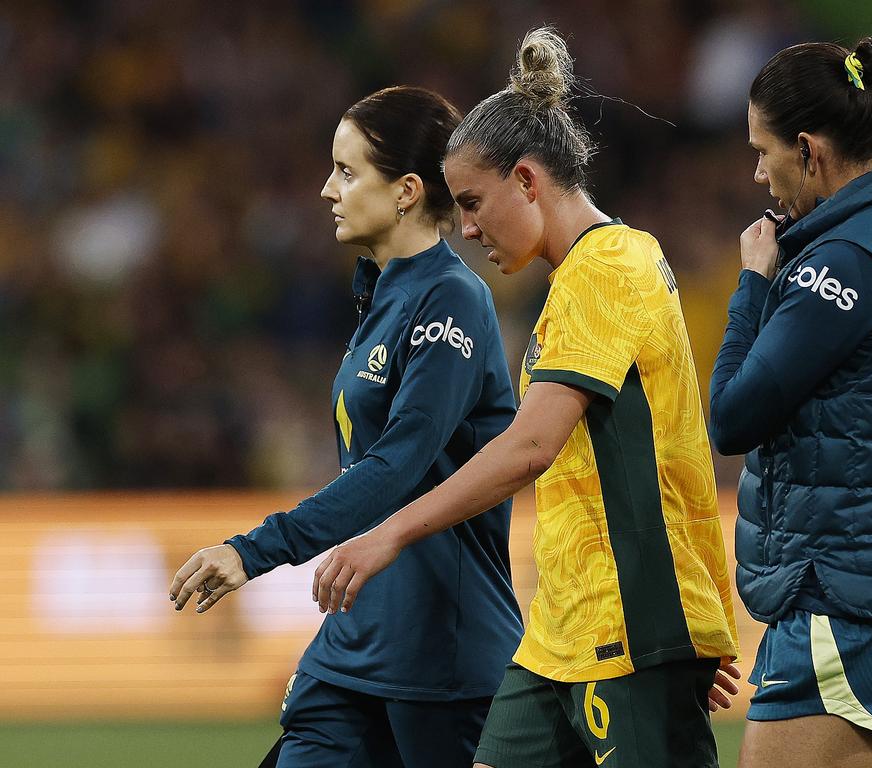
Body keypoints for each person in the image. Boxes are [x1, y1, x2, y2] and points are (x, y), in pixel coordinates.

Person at [310, 28, 741, 768]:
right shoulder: (577, 279)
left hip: (627, 623)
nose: (468, 228)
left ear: (529, 181)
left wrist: (387, 532)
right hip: (562, 629)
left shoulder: (608, 268)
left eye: (474, 203)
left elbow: (532, 446)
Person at [167, 86, 524, 768]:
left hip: (439, 655)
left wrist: (255, 550)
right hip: (354, 643)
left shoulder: (452, 299)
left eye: (347, 171)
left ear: (407, 191)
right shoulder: (379, 297)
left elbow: (397, 464)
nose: (326, 189)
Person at [707, 39, 872, 768]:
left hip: (845, 593)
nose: (759, 174)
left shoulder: (842, 262)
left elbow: (730, 417)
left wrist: (755, 283)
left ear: (809, 149)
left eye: (764, 153)